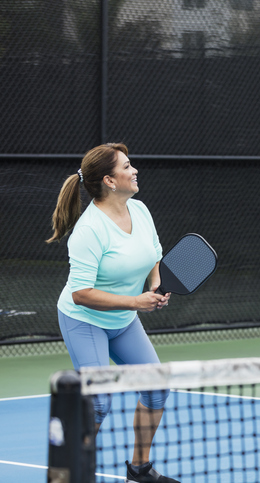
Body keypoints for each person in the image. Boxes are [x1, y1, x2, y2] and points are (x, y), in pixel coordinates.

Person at [46, 143, 179, 483]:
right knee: (98, 402)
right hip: (83, 320)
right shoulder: (89, 230)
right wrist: (137, 303)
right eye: (127, 166)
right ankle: (70, 473)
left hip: (121, 320)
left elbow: (154, 255)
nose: (134, 171)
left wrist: (154, 286)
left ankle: (139, 469)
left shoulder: (141, 211)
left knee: (156, 387)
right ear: (109, 180)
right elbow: (81, 294)